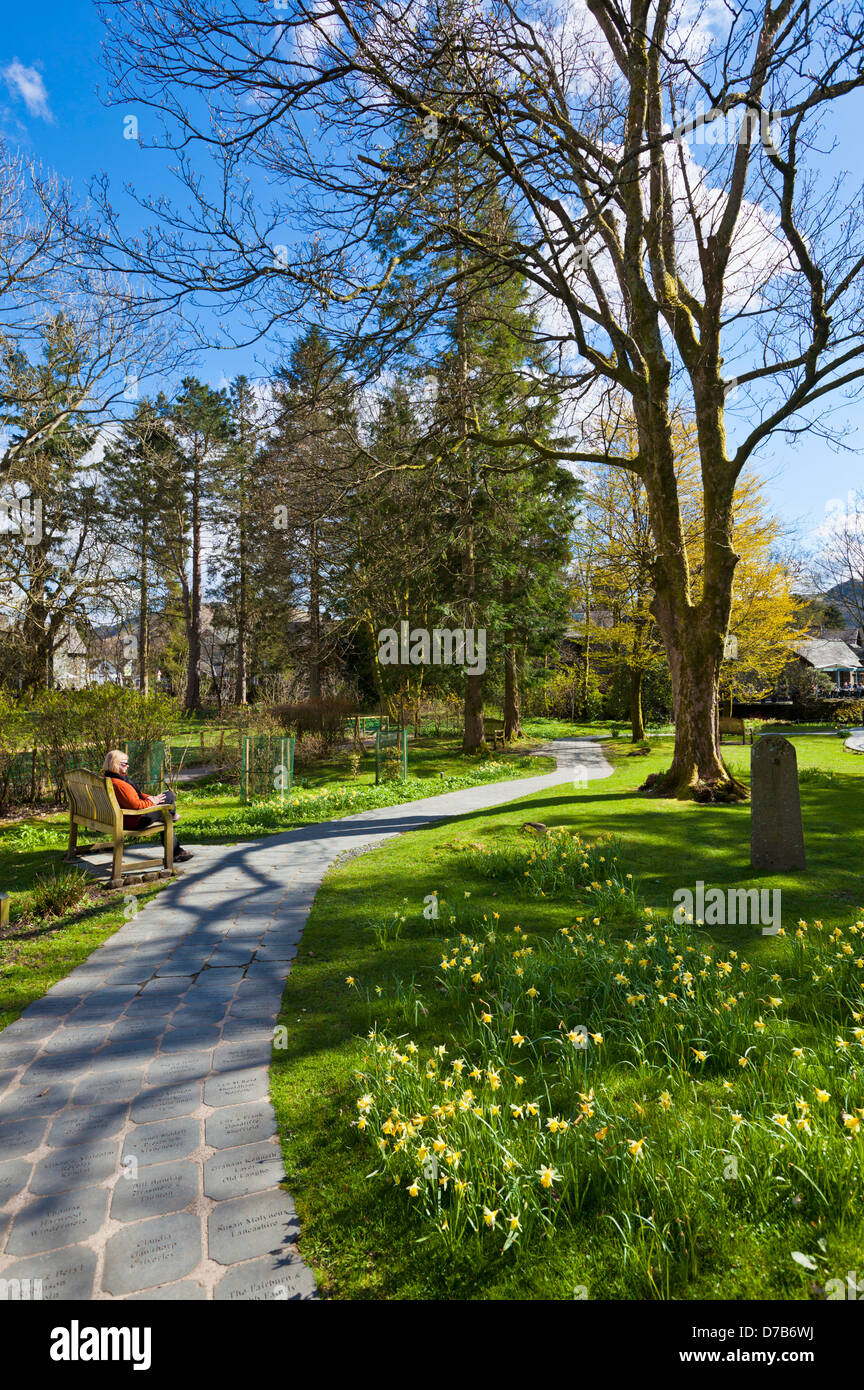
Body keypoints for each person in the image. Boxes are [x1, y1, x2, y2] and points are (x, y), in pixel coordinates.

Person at [102, 749, 193, 863]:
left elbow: (135, 796)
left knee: (166, 812)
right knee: (168, 799)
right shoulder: (120, 784)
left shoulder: (108, 779)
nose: (128, 766)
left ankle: (177, 851)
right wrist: (153, 802)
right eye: (125, 763)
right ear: (115, 764)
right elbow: (136, 805)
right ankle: (175, 851)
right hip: (134, 820)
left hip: (119, 818)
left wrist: (149, 797)